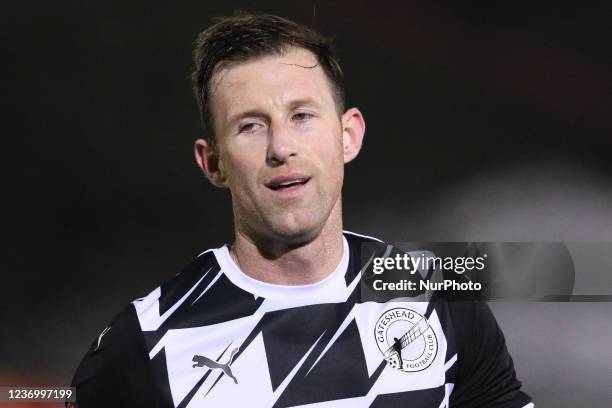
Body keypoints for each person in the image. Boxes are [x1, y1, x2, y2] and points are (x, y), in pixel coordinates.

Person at [70, 13, 533, 407]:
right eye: (250, 126)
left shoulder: (437, 294)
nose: (281, 147)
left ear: (347, 135)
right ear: (214, 163)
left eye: (301, 116)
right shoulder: (145, 343)